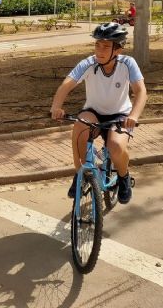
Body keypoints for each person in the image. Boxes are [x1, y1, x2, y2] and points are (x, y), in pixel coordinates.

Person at [50, 22, 148, 204]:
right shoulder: (88, 63)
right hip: (94, 112)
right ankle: (80, 173)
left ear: (117, 50)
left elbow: (141, 91)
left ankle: (124, 176)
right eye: (97, 44)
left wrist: (133, 116)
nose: (100, 50)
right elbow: (66, 85)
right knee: (79, 127)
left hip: (120, 115)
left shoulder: (128, 64)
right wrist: (56, 107)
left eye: (106, 46)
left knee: (116, 147)